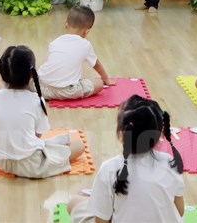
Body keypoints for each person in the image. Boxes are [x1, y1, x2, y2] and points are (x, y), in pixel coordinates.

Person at [66, 95, 185, 223]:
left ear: (121, 132)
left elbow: (101, 221)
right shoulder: (170, 162)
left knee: (74, 202)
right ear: (159, 133)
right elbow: (180, 211)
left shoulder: (109, 169)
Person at [0, 45, 85, 178]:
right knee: (79, 146)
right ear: (31, 75)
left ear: (2, 74)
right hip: (31, 164)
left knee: (35, 142)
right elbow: (38, 135)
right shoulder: (36, 100)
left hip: (0, 160)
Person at [37, 5, 115, 100]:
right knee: (99, 84)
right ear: (87, 32)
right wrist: (106, 79)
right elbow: (96, 63)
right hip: (67, 91)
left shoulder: (54, 42)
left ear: (66, 23)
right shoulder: (85, 45)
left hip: (42, 89)